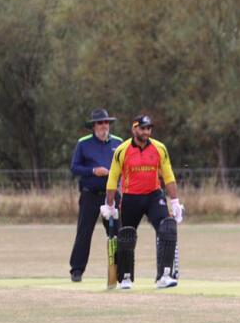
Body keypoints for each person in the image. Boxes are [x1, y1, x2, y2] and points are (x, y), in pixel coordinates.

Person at [100, 115, 183, 290]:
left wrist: (175, 201)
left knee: (167, 227)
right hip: (130, 197)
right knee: (127, 236)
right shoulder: (122, 150)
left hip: (154, 195)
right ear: (134, 129)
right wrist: (109, 205)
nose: (146, 132)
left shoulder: (160, 148)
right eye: (143, 128)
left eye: (149, 128)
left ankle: (165, 275)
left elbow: (168, 176)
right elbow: (113, 179)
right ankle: (125, 278)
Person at [67, 109, 122, 282]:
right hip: (90, 194)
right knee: (84, 232)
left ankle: (120, 270)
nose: (103, 126)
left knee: (116, 233)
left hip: (112, 195)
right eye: (100, 123)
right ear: (93, 126)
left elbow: (124, 167)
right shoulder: (83, 143)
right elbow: (75, 168)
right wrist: (93, 171)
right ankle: (77, 270)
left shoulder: (118, 143)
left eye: (106, 122)